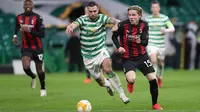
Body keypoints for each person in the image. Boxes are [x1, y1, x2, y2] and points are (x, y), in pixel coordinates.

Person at [66, 1, 130, 104]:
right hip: (88, 57)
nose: (92, 13)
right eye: (90, 11)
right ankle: (107, 84)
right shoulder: (82, 19)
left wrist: (116, 25)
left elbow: (117, 21)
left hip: (101, 50)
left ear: (98, 10)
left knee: (107, 68)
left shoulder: (102, 18)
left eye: (94, 11)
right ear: (87, 11)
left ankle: (122, 94)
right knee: (101, 82)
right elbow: (74, 24)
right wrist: (70, 27)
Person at [112, 5, 163, 110]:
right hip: (127, 58)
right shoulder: (123, 25)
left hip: (142, 57)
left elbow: (145, 42)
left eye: (134, 15)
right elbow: (114, 36)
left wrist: (140, 41)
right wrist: (119, 47)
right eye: (129, 15)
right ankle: (129, 82)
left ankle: (155, 104)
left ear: (139, 15)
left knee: (153, 79)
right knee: (131, 79)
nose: (131, 17)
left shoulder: (144, 25)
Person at [12, 0, 46, 97]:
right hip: (26, 46)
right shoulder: (19, 17)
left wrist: (29, 30)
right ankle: (33, 76)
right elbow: (16, 27)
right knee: (26, 67)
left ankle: (43, 87)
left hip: (37, 47)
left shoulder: (38, 18)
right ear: (23, 6)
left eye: (29, 4)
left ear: (32, 6)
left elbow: (42, 34)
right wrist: (15, 36)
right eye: (26, 4)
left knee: (40, 69)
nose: (27, 5)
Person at [145, 1, 175, 88]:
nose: (155, 9)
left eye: (156, 7)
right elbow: (144, 30)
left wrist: (165, 30)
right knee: (153, 60)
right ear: (151, 9)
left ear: (159, 8)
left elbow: (172, 28)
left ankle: (160, 77)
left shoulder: (164, 18)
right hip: (151, 43)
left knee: (161, 63)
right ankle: (154, 81)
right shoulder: (148, 19)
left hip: (161, 44)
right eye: (153, 7)